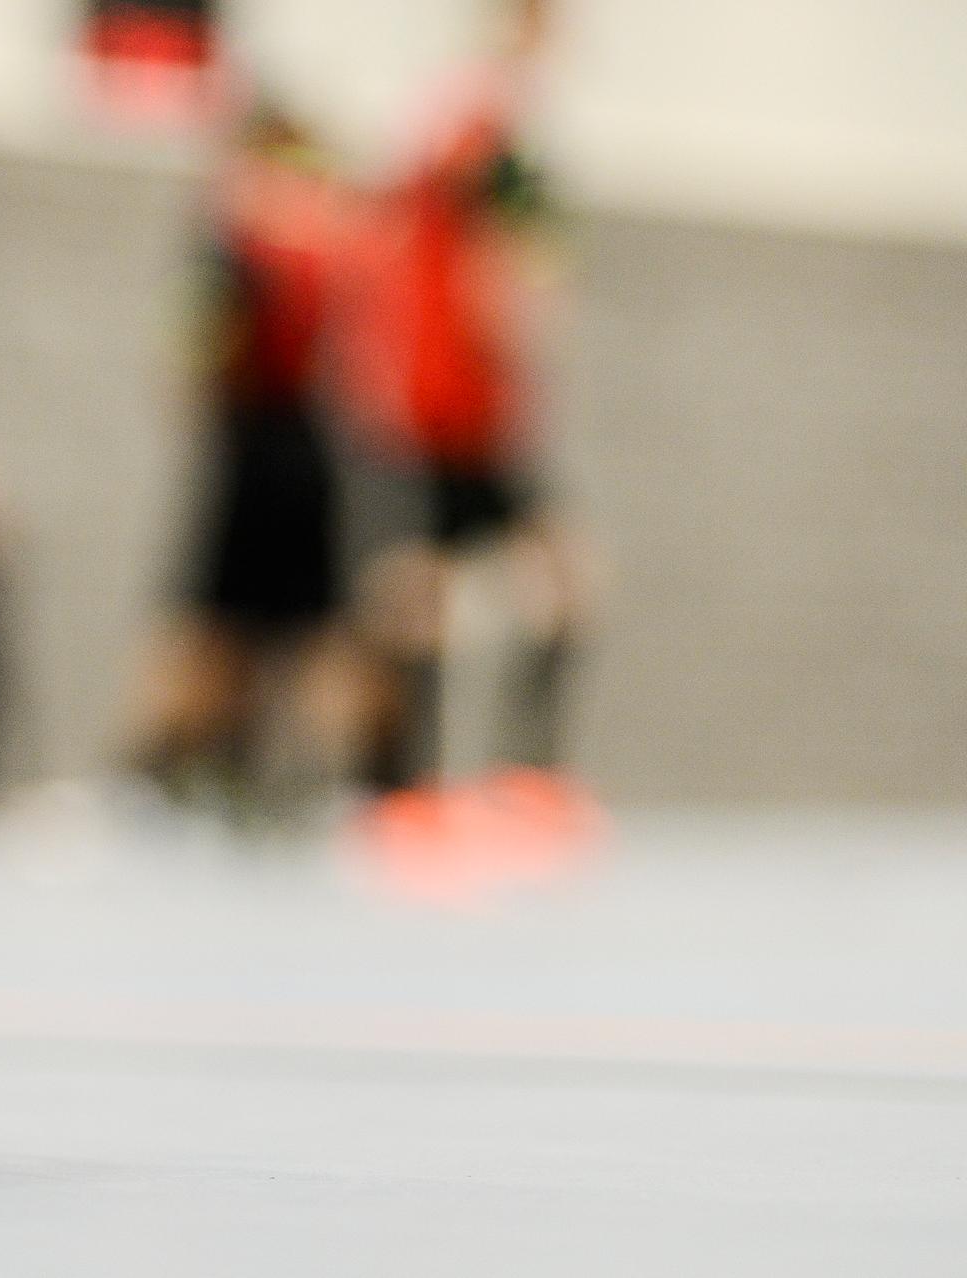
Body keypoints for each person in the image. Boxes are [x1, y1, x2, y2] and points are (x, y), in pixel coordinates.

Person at [335, 0, 588, 792]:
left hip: (445, 398)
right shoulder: (487, 128)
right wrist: (524, 336)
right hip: (452, 403)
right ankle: (436, 783)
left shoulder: (452, 121)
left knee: (454, 589)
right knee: (451, 594)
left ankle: (428, 782)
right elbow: (502, 275)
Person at [134, 107, 371, 808]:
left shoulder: (240, 241)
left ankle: (167, 774)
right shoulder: (322, 230)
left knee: (227, 628)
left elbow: (190, 356)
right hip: (297, 444)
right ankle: (317, 779)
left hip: (264, 449)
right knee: (280, 631)